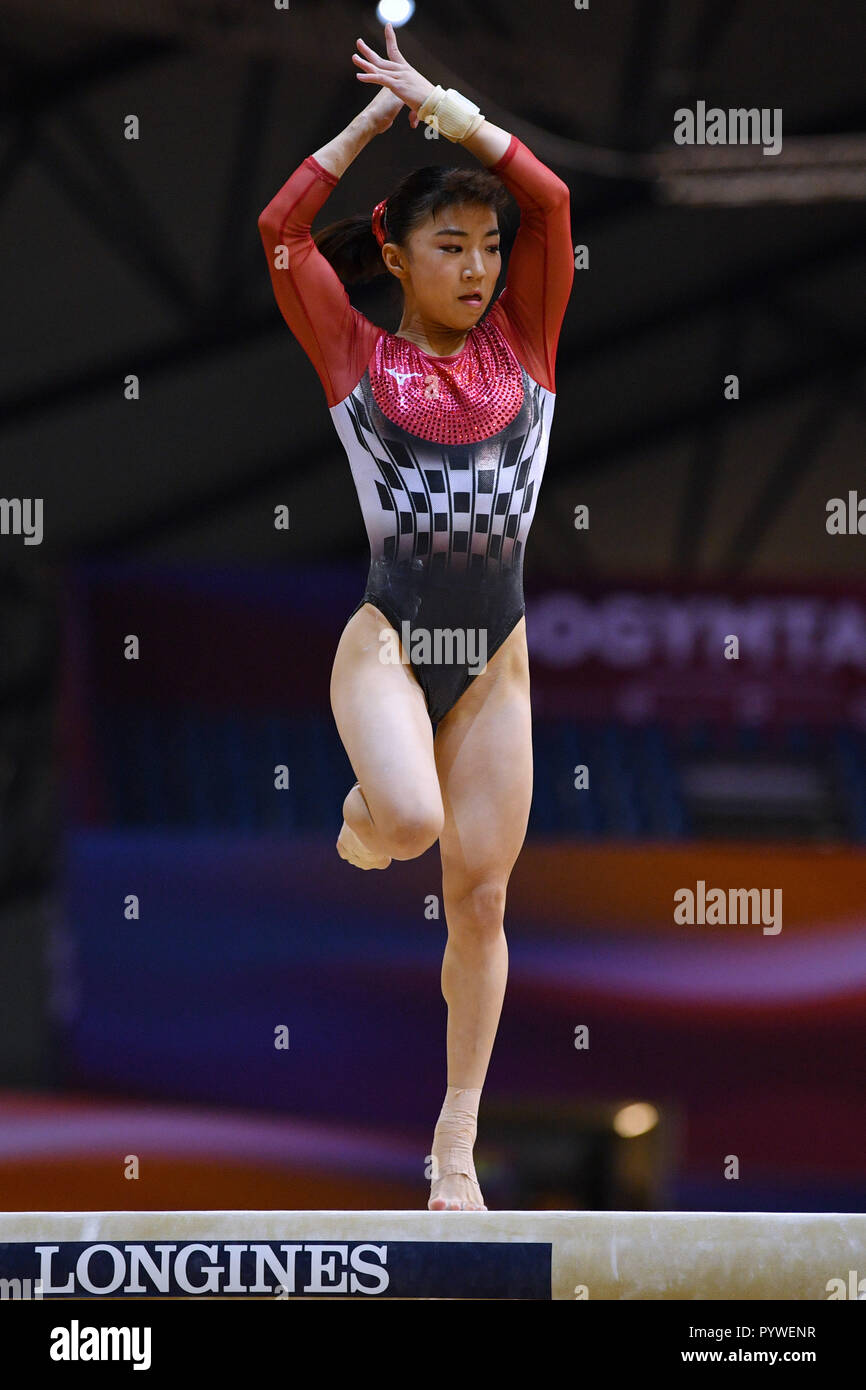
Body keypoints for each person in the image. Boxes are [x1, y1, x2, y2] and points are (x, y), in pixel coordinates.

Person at [258, 23, 573, 1211]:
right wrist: (365, 127)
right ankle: (366, 810)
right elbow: (280, 235)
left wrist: (444, 101)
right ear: (395, 253)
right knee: (400, 823)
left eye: (488, 248)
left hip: (494, 661)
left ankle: (453, 1145)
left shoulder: (530, 345)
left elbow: (548, 196)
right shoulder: (352, 355)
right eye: (451, 246)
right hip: (388, 643)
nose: (480, 266)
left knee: (481, 900)